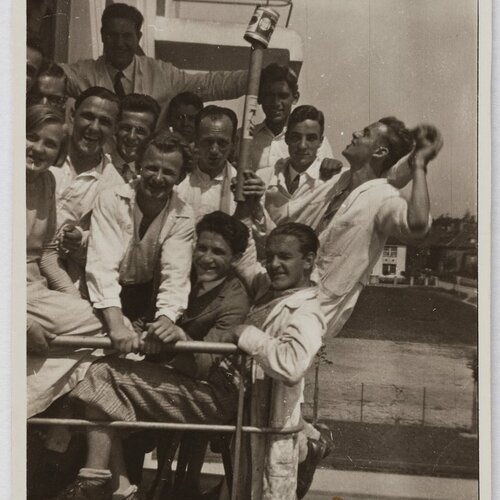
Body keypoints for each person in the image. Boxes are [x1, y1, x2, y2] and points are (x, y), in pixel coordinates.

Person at [53, 212, 252, 500]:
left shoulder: (235, 298)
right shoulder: (183, 277)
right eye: (202, 248)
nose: (206, 258)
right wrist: (137, 332)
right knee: (99, 376)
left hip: (212, 394)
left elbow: (205, 364)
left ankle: (95, 484)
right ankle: (118, 489)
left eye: (218, 252)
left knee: (101, 374)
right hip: (176, 380)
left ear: (235, 257)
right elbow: (149, 318)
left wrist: (177, 341)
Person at [85, 129, 195, 354]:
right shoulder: (111, 200)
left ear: (181, 177)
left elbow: (175, 273)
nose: (157, 178)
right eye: (152, 168)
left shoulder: (184, 214)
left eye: (168, 172)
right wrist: (116, 325)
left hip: (144, 299)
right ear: (138, 166)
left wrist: (165, 320)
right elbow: (102, 267)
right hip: (99, 295)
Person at [26, 104, 105, 418]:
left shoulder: (47, 182)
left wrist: (75, 300)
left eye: (50, 144)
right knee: (101, 334)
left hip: (35, 293)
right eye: (31, 138)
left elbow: (45, 254)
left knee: (106, 327)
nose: (39, 149)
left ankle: (37, 405)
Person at [61, 3, 247, 115]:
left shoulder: (161, 74)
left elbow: (210, 85)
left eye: (127, 36)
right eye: (112, 35)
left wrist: (257, 78)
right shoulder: (82, 73)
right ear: (102, 35)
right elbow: (46, 71)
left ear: (138, 38)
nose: (119, 43)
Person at [45, 86, 124, 291]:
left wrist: (80, 240)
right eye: (87, 116)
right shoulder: (44, 151)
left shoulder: (114, 186)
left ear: (115, 128)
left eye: (105, 121)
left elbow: (109, 247)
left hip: (57, 276)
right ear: (72, 115)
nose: (94, 127)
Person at [246, 63, 342, 186]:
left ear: (295, 97)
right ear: (260, 98)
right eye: (269, 96)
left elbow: (326, 176)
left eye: (283, 96)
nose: (276, 103)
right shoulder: (245, 138)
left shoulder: (314, 140)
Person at [177, 105, 238, 222]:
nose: (214, 150)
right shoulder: (179, 183)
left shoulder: (240, 187)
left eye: (222, 143)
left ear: (234, 143)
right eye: (208, 142)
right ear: (196, 140)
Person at [110, 93, 161, 182]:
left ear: (151, 135)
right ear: (115, 128)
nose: (131, 137)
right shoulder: (99, 165)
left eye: (140, 131)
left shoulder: (155, 176)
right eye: (126, 128)